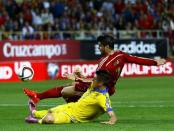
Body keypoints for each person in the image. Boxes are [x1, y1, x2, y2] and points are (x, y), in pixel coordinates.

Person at [24, 35, 166, 104]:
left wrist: (77, 78)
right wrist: (155, 62)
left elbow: (94, 82)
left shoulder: (105, 64)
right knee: (70, 91)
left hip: (101, 88)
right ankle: (41, 97)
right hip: (107, 87)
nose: (98, 48)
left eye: (100, 46)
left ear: (106, 46)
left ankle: (39, 97)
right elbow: (137, 60)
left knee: (66, 90)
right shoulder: (120, 55)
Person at [25, 70, 117, 125]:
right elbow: (84, 80)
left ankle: (36, 120)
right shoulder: (95, 85)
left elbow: (112, 116)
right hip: (72, 106)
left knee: (49, 119)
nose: (92, 79)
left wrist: (111, 121)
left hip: (73, 117)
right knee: (50, 111)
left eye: (95, 78)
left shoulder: (103, 98)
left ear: (101, 83)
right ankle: (33, 112)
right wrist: (77, 76)